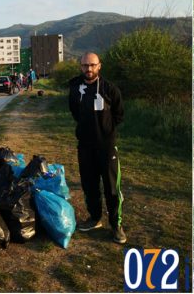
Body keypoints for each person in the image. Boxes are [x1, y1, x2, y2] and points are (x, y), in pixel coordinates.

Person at [68, 52, 126, 244]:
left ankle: (116, 225)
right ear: (80, 66)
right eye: (85, 65)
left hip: (106, 147)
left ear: (99, 66)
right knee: (89, 185)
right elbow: (75, 111)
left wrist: (105, 130)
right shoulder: (75, 87)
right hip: (85, 146)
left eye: (92, 65)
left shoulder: (110, 89)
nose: (89, 69)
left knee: (111, 188)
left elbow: (119, 114)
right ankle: (94, 218)